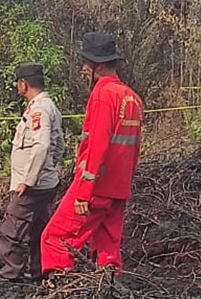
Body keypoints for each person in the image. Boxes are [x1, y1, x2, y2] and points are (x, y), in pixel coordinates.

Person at [40, 33, 142, 275]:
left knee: (55, 239)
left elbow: (97, 145)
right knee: (107, 248)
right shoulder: (132, 98)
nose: (84, 68)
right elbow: (134, 149)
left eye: (86, 62)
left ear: (100, 64)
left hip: (95, 187)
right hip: (118, 188)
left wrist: (83, 193)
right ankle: (109, 293)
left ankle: (57, 297)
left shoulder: (103, 94)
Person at [0, 63, 65, 280]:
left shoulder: (39, 110)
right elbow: (60, 145)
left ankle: (11, 277)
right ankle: (39, 273)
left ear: (23, 84)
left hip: (33, 186)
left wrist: (28, 180)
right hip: (44, 182)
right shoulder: (48, 106)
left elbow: (43, 145)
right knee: (38, 231)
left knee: (10, 231)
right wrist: (48, 168)